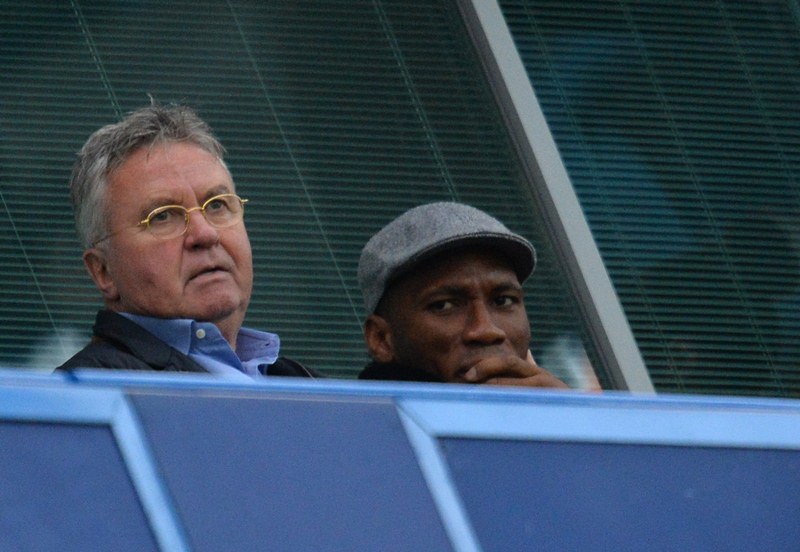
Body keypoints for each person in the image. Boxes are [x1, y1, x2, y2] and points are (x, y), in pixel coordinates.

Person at [58, 103, 313, 379]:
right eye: (163, 216)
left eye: (217, 205)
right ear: (103, 271)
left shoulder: (300, 381)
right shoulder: (92, 389)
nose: (205, 234)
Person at [357, 201, 569, 388]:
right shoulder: (349, 429)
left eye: (503, 301)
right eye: (444, 306)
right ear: (381, 339)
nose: (486, 331)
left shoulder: (559, 421)